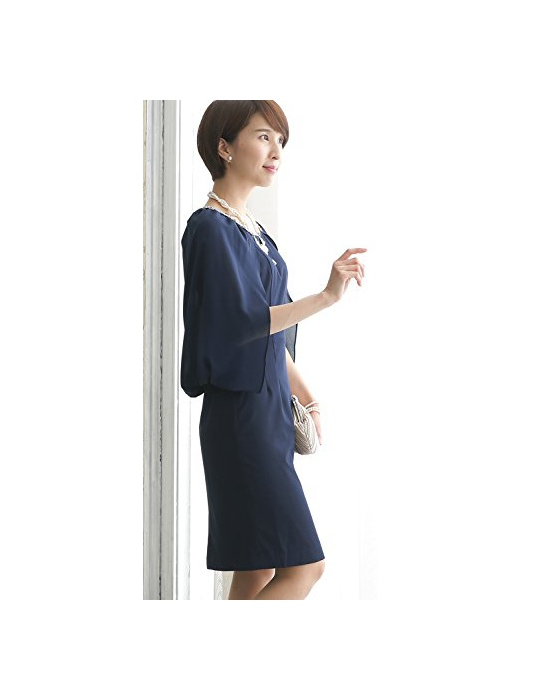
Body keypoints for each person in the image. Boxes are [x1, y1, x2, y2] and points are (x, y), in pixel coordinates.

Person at [180, 100, 366, 600]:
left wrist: (306, 396)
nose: (276, 150)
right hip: (241, 417)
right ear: (224, 147)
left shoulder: (256, 234)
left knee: (257, 568)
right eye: (263, 136)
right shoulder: (209, 229)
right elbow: (242, 324)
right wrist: (325, 297)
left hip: (268, 413)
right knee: (305, 567)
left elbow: (271, 336)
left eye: (280, 140)